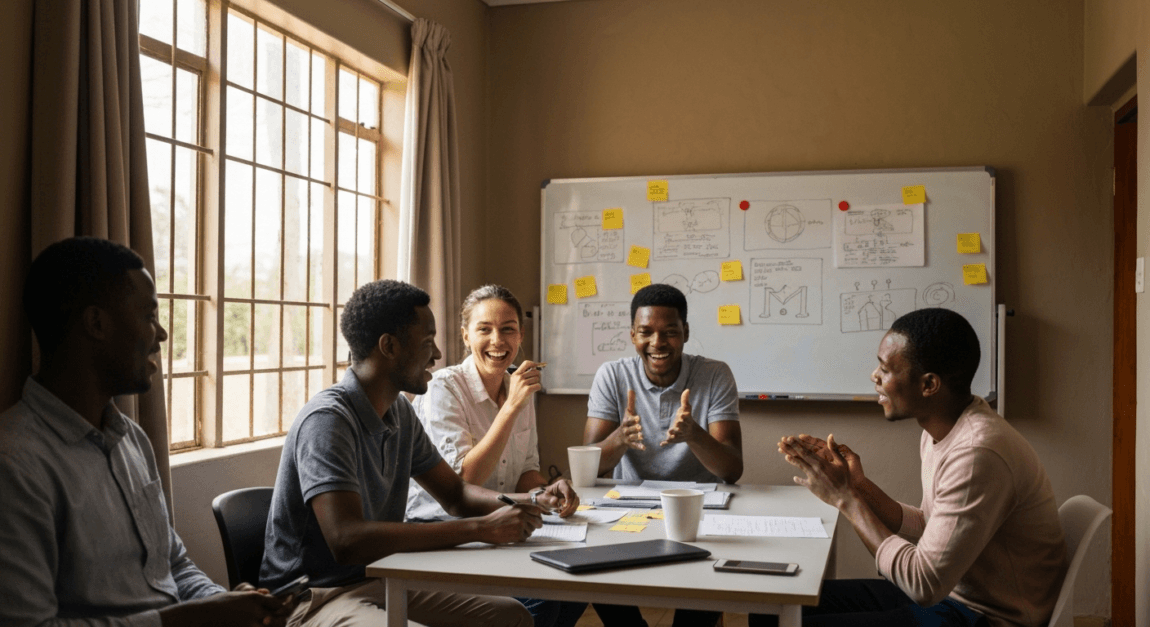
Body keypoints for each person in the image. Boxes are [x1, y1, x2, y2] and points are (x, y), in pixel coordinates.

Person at [0, 237, 293, 627]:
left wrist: (227, 604)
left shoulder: (132, 439)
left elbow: (173, 565)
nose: (162, 335)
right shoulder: (16, 464)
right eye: (149, 316)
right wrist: (188, 620)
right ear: (97, 324)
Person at [262, 279, 577, 627]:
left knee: (513, 617)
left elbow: (456, 494)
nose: (437, 354)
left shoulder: (399, 411)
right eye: (428, 342)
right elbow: (347, 540)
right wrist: (481, 528)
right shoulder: (328, 420)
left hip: (381, 577)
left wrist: (533, 499)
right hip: (313, 597)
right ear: (389, 346)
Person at [759, 308, 1067, 627]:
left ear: (928, 384)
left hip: (983, 616)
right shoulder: (942, 429)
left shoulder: (977, 453)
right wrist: (858, 485)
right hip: (953, 596)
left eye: (885, 369)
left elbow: (923, 585)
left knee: (786, 623)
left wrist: (845, 498)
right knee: (772, 608)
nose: (874, 376)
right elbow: (930, 527)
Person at [406, 284, 585, 627]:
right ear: (466, 336)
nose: (497, 341)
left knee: (580, 581)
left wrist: (546, 490)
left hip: (502, 529)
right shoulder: (443, 387)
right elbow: (463, 483)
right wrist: (511, 407)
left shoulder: (517, 385)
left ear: (521, 336)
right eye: (484, 329)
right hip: (446, 532)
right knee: (542, 600)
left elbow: (526, 470)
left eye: (508, 329)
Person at [582, 283, 743, 627]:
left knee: (703, 599)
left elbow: (732, 470)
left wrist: (694, 434)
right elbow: (588, 468)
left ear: (685, 333)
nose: (658, 343)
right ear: (632, 335)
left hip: (699, 513)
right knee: (590, 566)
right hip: (628, 513)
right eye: (646, 332)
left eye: (670, 332)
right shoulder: (612, 375)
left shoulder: (714, 374)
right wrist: (620, 438)